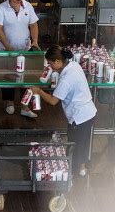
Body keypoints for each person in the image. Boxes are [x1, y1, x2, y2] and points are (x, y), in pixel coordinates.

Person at [31, 45, 97, 177]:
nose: (49, 66)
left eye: (50, 63)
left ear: (57, 61)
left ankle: (70, 177)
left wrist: (38, 91)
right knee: (83, 144)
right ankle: (82, 169)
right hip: (89, 112)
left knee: (73, 147)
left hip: (79, 117)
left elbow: (53, 101)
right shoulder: (73, 65)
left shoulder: (67, 79)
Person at [0, 0, 40, 118]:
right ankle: (9, 103)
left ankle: (25, 107)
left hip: (24, 48)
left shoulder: (28, 6)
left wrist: (35, 41)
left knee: (27, 78)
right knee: (9, 76)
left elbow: (34, 25)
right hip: (7, 49)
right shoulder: (2, 8)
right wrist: (7, 45)